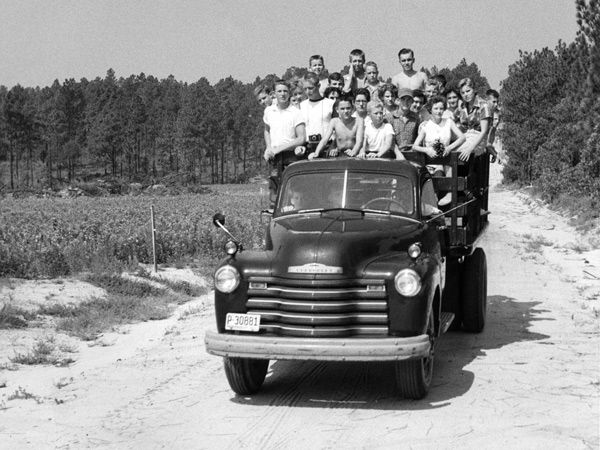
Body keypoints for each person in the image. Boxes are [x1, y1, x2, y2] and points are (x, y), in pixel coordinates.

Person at [412, 95, 466, 205]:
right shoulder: (426, 125)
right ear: (430, 110)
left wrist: (449, 147)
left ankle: (448, 193)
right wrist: (426, 150)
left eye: (441, 108)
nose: (439, 111)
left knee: (444, 166)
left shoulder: (448, 122)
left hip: (445, 160)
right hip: (430, 162)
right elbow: (415, 146)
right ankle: (434, 197)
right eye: (436, 108)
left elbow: (462, 137)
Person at [263, 79, 306, 165]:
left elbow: (301, 138)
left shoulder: (296, 112)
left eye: (285, 91)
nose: (282, 94)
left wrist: (279, 149)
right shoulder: (269, 111)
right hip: (274, 157)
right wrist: (268, 147)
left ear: (289, 93)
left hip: (291, 156)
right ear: (274, 94)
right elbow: (267, 130)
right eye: (279, 91)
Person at [298, 72, 335, 158]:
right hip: (307, 148)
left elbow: (338, 127)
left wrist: (334, 146)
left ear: (318, 86)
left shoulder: (331, 104)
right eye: (305, 88)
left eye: (311, 88)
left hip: (328, 147)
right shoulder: (301, 106)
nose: (308, 91)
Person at [456, 78, 492, 161]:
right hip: (465, 137)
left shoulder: (484, 105)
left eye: (468, 91)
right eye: (462, 93)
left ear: (474, 90)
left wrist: (471, 148)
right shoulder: (463, 106)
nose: (465, 94)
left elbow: (483, 131)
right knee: (447, 150)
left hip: (478, 140)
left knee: (455, 154)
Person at [388, 88, 420, 154]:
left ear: (412, 102)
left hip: (413, 153)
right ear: (398, 101)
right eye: (403, 100)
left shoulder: (417, 118)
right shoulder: (389, 117)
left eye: (409, 100)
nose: (406, 103)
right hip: (394, 154)